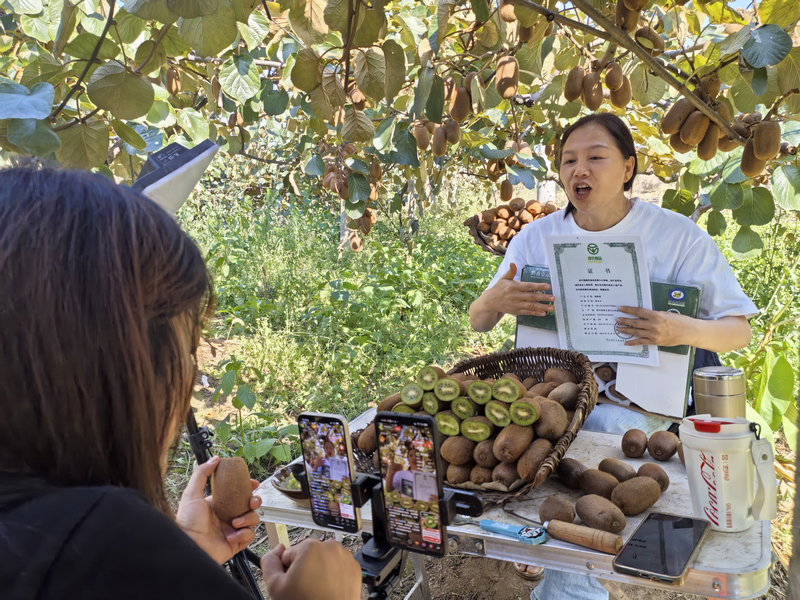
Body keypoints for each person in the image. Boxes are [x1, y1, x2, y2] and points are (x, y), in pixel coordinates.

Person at [0, 168, 362, 600]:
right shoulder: (103, 541)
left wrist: (182, 554)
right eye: (186, 348)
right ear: (118, 368)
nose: (188, 378)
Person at [468, 113, 757, 597]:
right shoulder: (536, 238)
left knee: (596, 437)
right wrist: (492, 302)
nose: (580, 170)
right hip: (549, 408)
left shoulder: (677, 236)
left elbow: (738, 331)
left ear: (627, 167)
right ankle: (550, 561)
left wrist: (675, 328)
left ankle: (564, 581)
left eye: (595, 157)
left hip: (631, 413)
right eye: (569, 161)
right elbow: (480, 320)